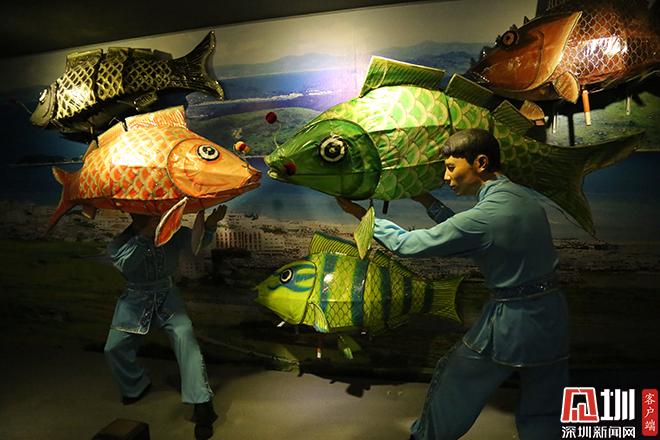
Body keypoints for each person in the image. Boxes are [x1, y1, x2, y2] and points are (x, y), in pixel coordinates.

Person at [337, 128, 569, 440]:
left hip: (513, 321)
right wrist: (426, 200)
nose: (446, 177)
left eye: (450, 167)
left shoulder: (485, 217)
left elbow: (407, 244)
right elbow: (469, 232)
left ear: (481, 163)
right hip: (553, 314)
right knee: (545, 402)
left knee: (455, 379)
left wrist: (361, 215)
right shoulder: (521, 198)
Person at [104, 206, 226, 440]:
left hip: (167, 296)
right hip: (135, 299)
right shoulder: (120, 242)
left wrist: (209, 224)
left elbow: (196, 243)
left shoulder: (172, 233)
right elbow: (126, 265)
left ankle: (202, 404)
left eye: (152, 213)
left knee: (186, 339)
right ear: (132, 214)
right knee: (114, 347)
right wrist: (145, 236)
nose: (149, 217)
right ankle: (135, 385)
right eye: (142, 213)